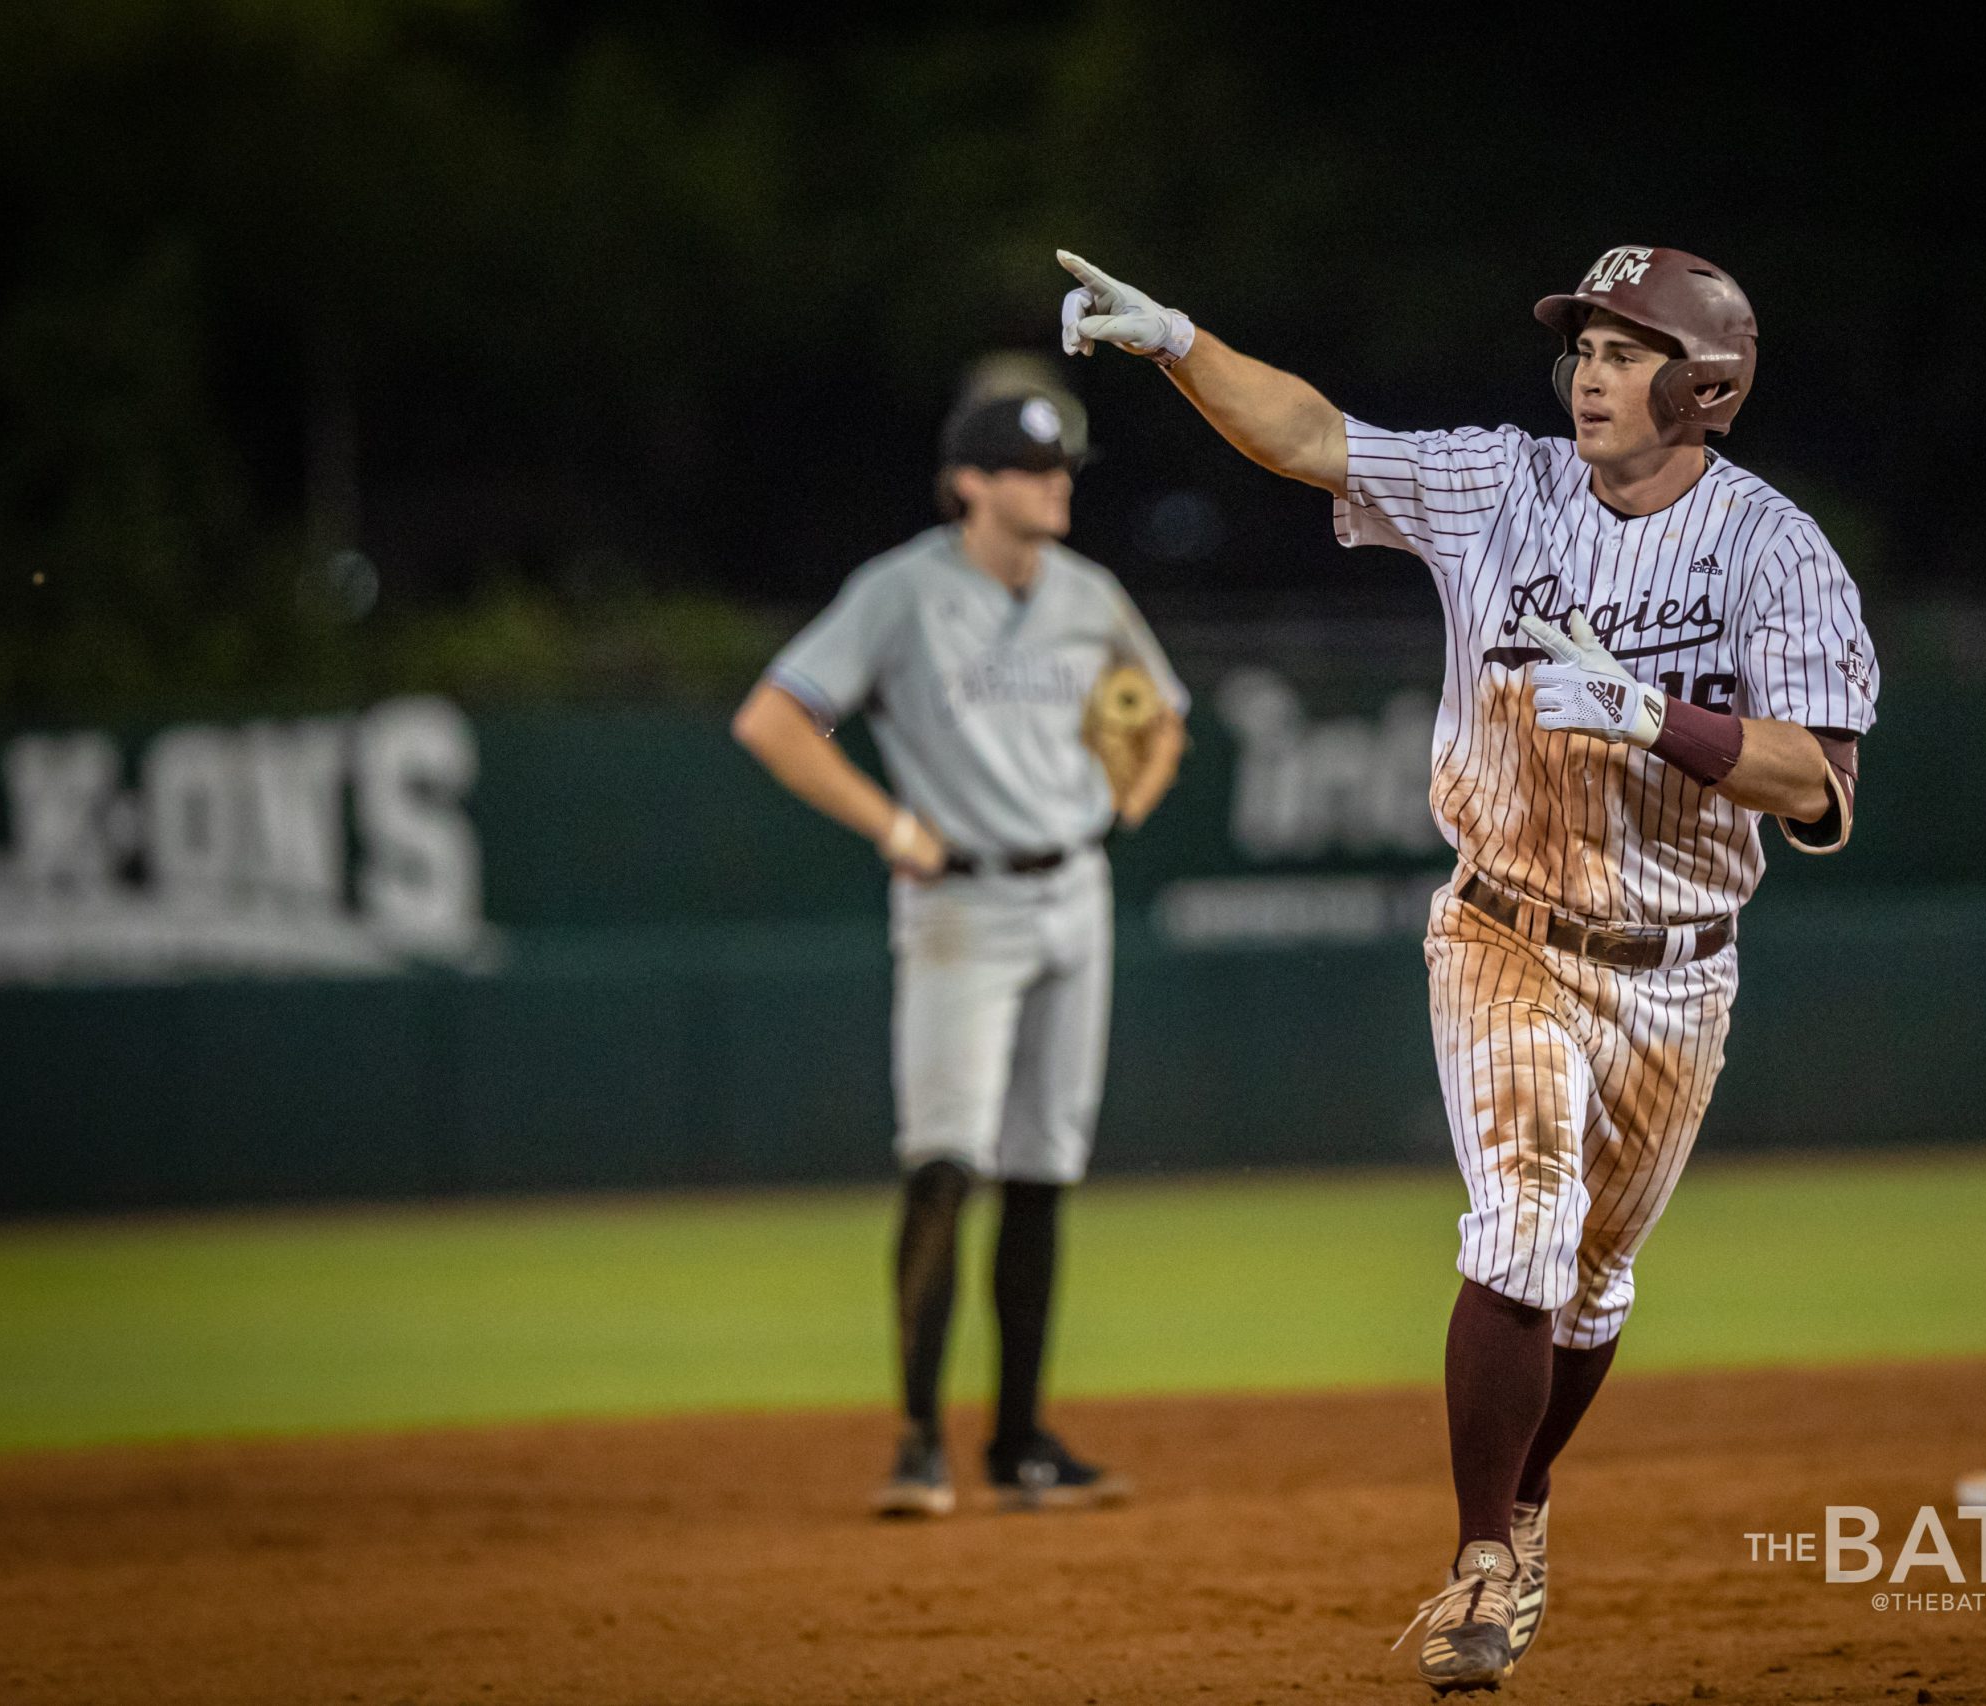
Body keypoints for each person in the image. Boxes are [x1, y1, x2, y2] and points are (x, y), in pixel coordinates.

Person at [1055, 244, 1877, 1689]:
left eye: (1631, 353)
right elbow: (1314, 436)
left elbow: (1816, 782)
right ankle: (1483, 1560)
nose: (1594, 375)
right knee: (1522, 1221)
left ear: (1708, 387)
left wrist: (1652, 715)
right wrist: (1182, 337)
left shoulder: (1774, 549)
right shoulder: (1504, 484)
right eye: (1588, 349)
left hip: (1681, 967)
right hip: (1501, 927)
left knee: (1599, 1284)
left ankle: (1530, 1495)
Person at [731, 389, 1188, 1516]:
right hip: (961, 906)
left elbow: (1157, 709)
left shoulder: (1086, 597)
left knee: (1042, 1167)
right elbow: (776, 717)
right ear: (969, 483)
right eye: (1032, 468)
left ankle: (1022, 1443)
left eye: (1062, 466)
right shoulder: (903, 591)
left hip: (1072, 888)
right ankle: (918, 1441)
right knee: (943, 1160)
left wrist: (1130, 788)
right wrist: (890, 824)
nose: (1057, 483)